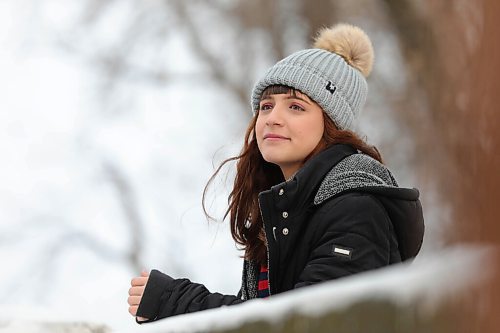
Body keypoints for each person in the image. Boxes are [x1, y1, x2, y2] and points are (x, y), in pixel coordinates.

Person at [127, 23, 425, 323]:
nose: (272, 119)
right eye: (266, 106)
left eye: (296, 107)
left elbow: (309, 323)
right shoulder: (281, 212)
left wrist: (174, 301)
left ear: (332, 124)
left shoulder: (356, 210)